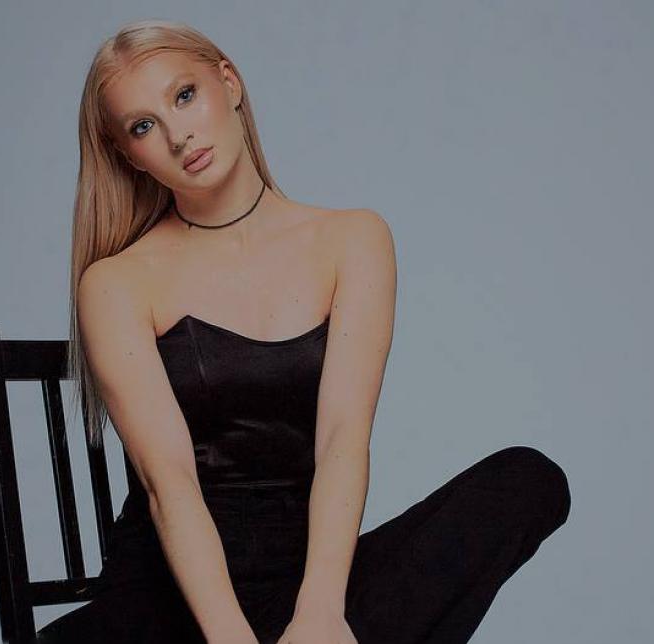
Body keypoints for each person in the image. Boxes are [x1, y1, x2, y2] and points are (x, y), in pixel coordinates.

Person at [40, 19, 571, 644]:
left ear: (229, 82)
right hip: (176, 601)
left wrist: (319, 611)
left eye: (184, 95)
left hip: (305, 585)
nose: (178, 136)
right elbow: (168, 484)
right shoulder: (117, 283)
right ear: (130, 155)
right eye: (143, 126)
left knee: (526, 481)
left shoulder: (353, 240)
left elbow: (344, 438)